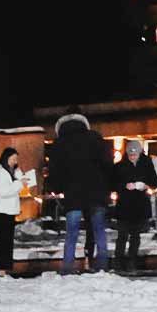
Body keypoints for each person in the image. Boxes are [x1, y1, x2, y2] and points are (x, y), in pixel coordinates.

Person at [46, 113, 111, 274]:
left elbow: (55, 171)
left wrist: (56, 188)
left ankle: (68, 266)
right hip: (97, 193)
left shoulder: (60, 143)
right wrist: (108, 188)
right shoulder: (96, 139)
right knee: (99, 230)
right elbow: (107, 165)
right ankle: (102, 264)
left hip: (73, 194)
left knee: (72, 232)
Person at [109, 139, 157, 272]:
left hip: (140, 204)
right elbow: (112, 184)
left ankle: (132, 261)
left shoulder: (146, 164)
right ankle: (118, 262)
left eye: (135, 154)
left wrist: (145, 185)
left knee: (136, 235)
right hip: (124, 204)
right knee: (122, 235)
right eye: (130, 155)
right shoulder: (119, 166)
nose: (132, 157)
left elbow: (154, 182)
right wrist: (124, 186)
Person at [0, 147, 24, 273]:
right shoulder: (0, 173)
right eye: (13, 158)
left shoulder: (9, 172)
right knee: (4, 241)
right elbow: (4, 191)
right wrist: (19, 183)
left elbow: (14, 187)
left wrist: (19, 177)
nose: (15, 161)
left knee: (7, 241)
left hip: (8, 210)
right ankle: (0, 268)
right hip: (2, 211)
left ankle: (2, 267)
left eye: (16, 159)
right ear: (6, 158)